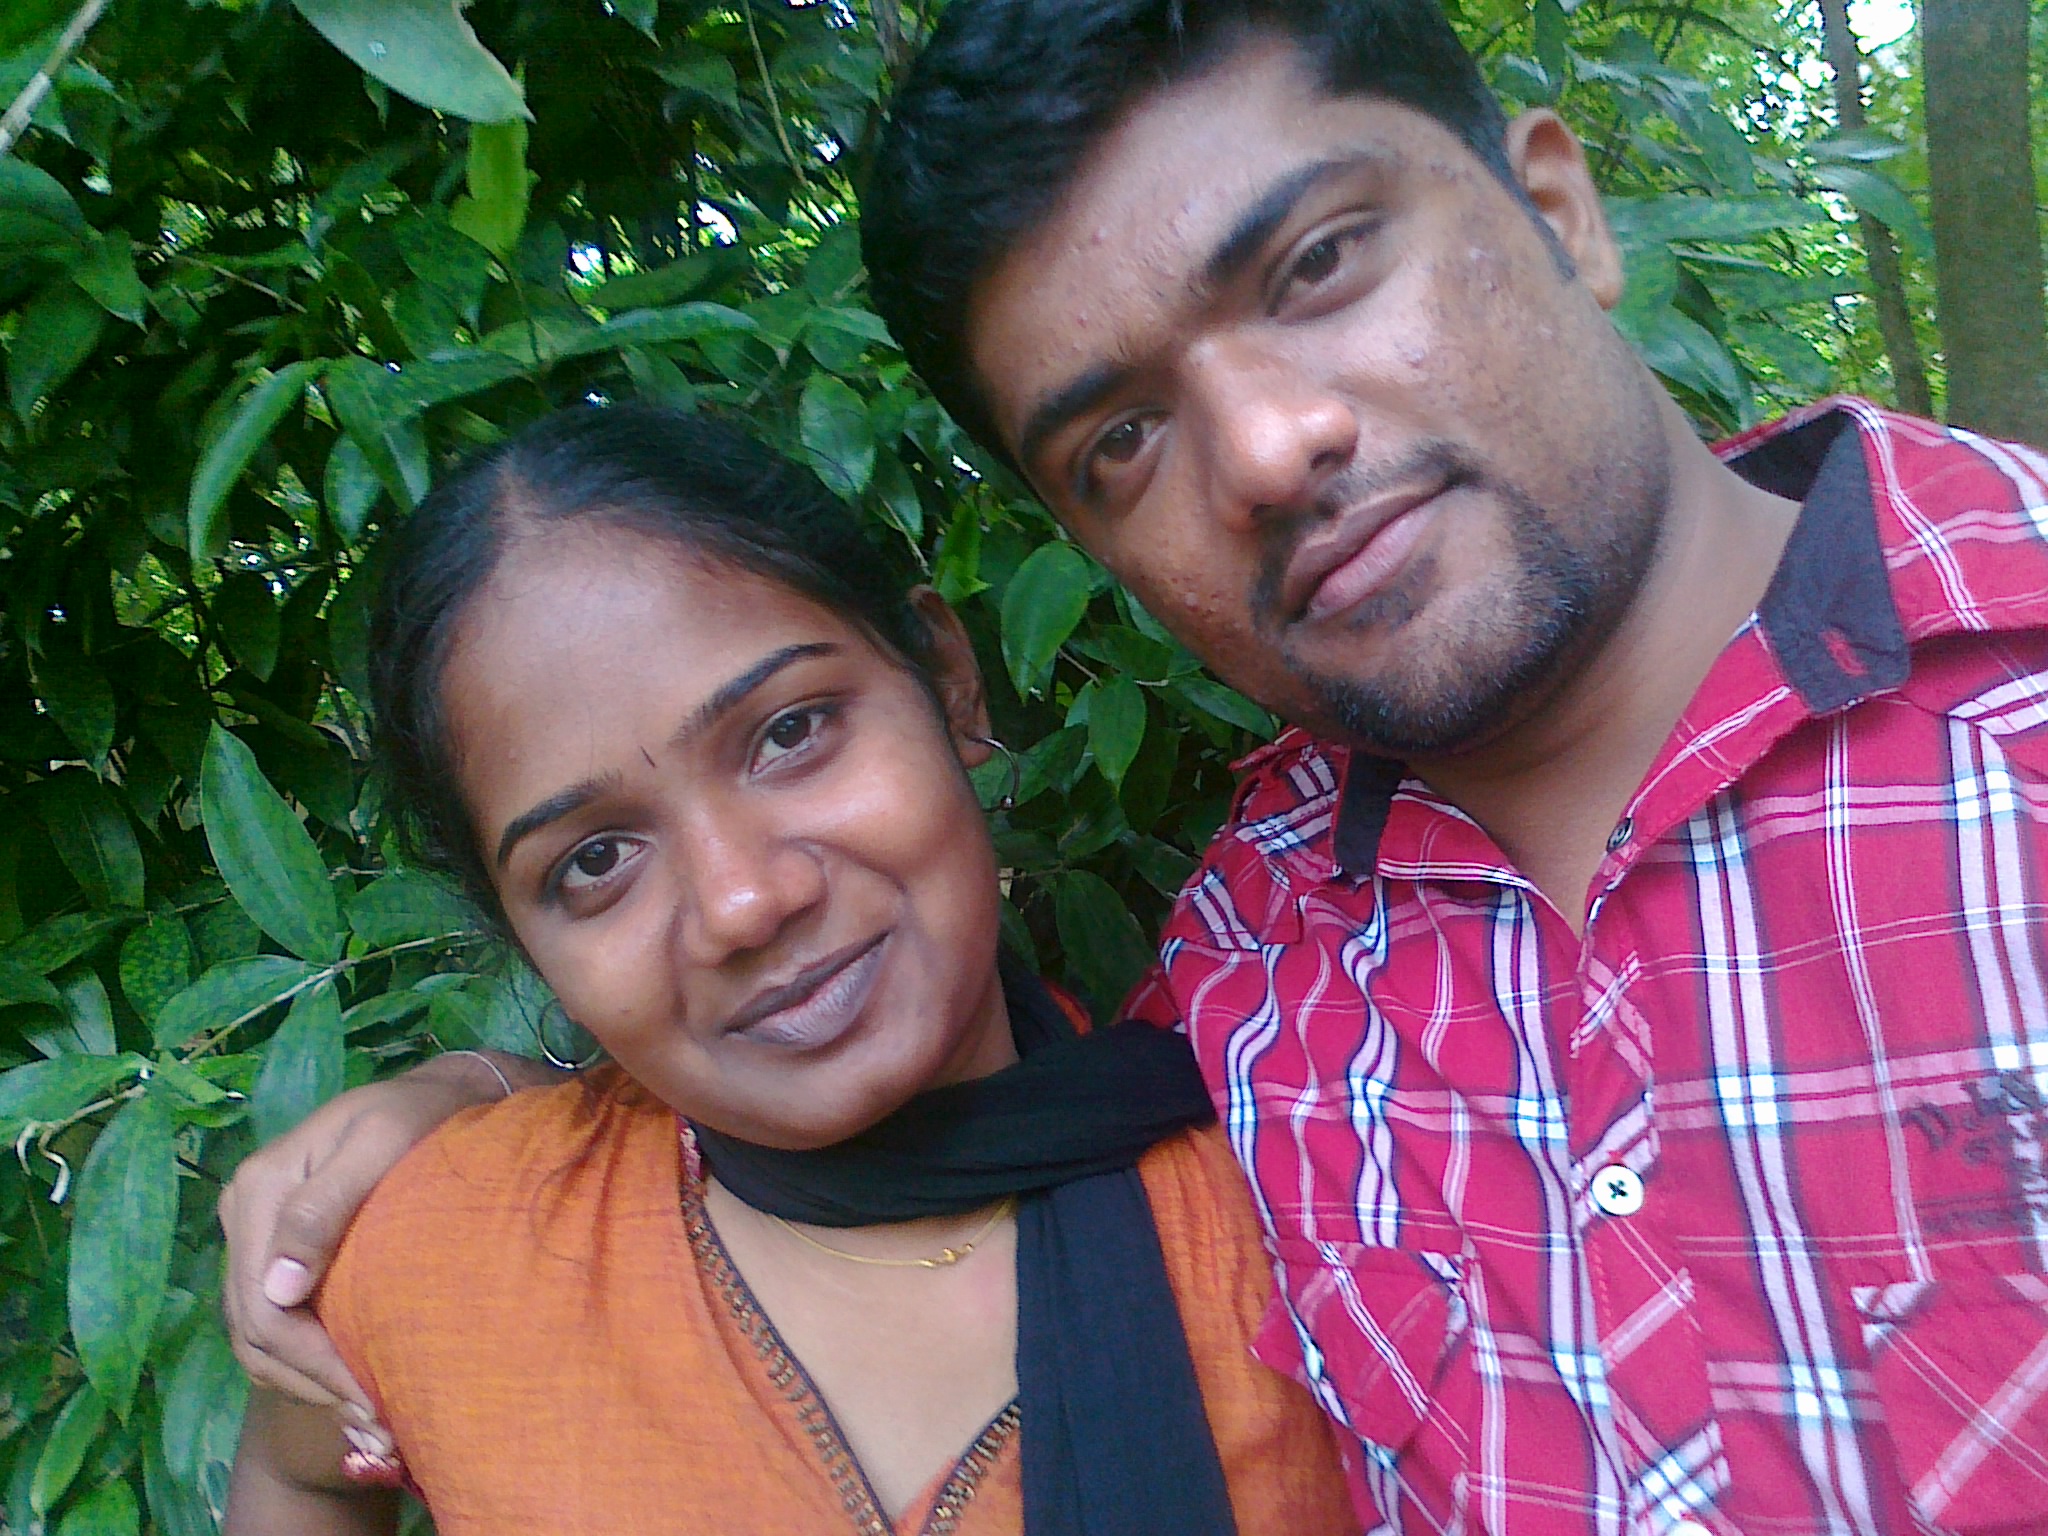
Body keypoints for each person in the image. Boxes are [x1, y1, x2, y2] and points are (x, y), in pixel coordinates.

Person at [222, 0, 2048, 1530]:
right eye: (1118, 438)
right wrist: (465, 1094)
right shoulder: (1258, 959)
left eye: (1318, 264)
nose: (1261, 448)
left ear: (1557, 207)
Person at [221, 404, 1358, 1535]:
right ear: (526, 938)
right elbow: (296, 1462)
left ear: (947, 682)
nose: (743, 903)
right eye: (596, 861)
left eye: (789, 732)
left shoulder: (1330, 1211)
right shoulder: (446, 1249)